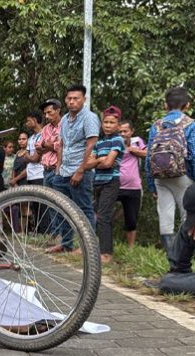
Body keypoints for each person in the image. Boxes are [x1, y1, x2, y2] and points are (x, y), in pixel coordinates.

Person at [146, 86, 195, 253]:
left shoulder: (156, 126)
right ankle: (184, 263)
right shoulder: (190, 124)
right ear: (187, 105)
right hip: (183, 176)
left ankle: (172, 262)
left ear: (165, 105)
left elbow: (148, 155)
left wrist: (151, 184)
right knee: (187, 217)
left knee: (165, 219)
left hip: (160, 178)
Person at [47, 84, 100, 253]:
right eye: (69, 98)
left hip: (80, 172)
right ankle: (66, 244)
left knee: (84, 209)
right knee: (62, 208)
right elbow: (61, 144)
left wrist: (80, 170)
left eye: (76, 98)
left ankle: (89, 248)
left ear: (84, 99)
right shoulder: (64, 119)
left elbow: (91, 144)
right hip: (63, 171)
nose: (72, 102)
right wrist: (58, 168)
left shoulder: (89, 118)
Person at [84, 106, 125, 263]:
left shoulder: (117, 140)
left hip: (111, 182)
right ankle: (91, 248)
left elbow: (108, 163)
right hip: (98, 182)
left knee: (103, 216)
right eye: (105, 122)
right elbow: (87, 164)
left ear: (118, 125)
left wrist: (99, 161)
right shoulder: (100, 142)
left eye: (111, 122)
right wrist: (99, 161)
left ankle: (106, 253)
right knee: (92, 215)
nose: (108, 125)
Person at [118, 120, 147, 246]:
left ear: (131, 131)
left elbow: (148, 154)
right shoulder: (113, 142)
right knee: (102, 215)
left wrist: (133, 150)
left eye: (125, 131)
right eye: (120, 131)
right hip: (114, 186)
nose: (123, 134)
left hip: (133, 187)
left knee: (131, 220)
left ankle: (130, 248)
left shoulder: (137, 141)